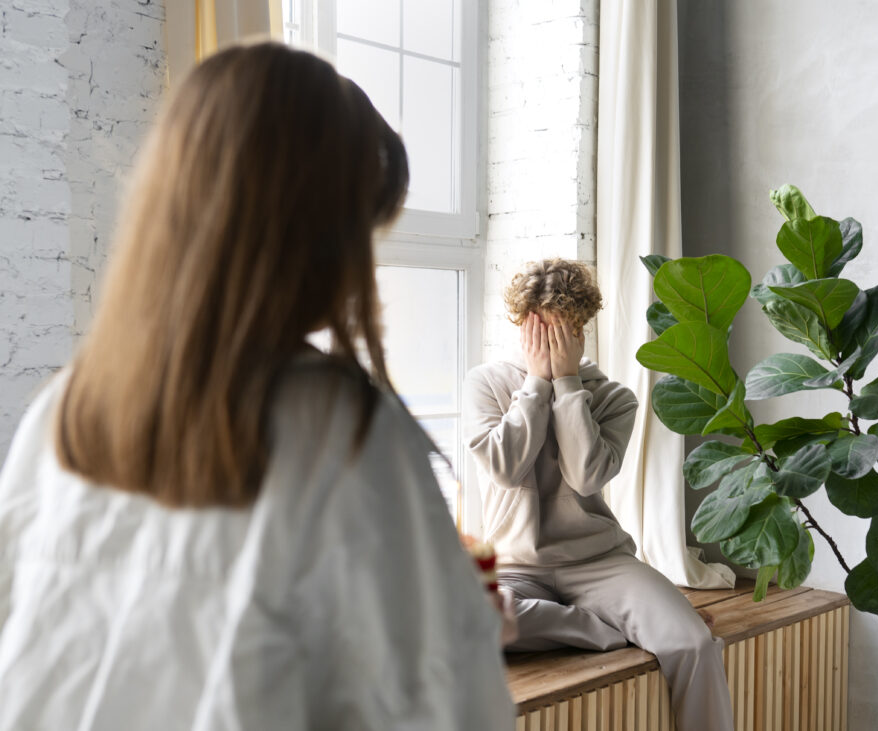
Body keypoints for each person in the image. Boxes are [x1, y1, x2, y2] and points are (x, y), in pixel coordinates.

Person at [0, 43, 514, 730]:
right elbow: (442, 709)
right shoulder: (343, 433)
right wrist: (465, 627)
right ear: (315, 238)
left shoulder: (65, 409)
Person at [464, 258, 734, 731]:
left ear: (581, 329)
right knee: (467, 624)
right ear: (521, 324)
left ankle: (625, 621)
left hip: (599, 561)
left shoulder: (614, 398)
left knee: (692, 643)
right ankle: (607, 629)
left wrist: (567, 385)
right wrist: (535, 385)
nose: (550, 340)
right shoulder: (486, 382)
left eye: (562, 329)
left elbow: (586, 477)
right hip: (515, 564)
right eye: (539, 328)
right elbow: (505, 469)